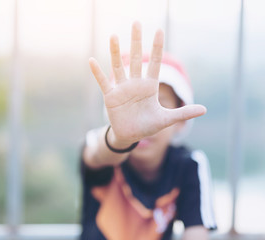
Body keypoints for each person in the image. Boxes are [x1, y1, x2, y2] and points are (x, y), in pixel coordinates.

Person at [80, 21, 217, 240]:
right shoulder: (103, 146)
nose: (145, 124)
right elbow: (98, 153)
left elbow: (196, 232)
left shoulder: (189, 164)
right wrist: (121, 138)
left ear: (181, 119)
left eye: (159, 105)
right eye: (134, 109)